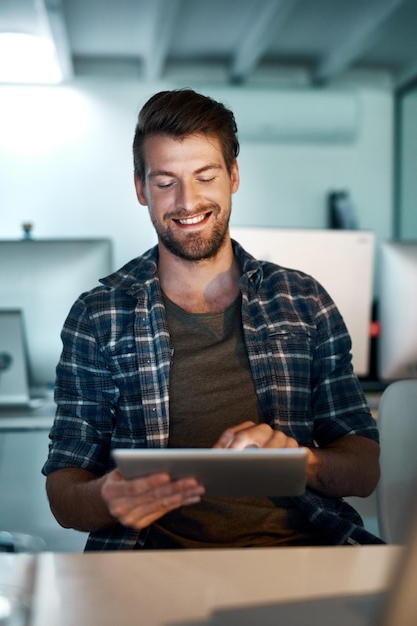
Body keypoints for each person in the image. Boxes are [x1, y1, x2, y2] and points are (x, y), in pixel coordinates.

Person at [42, 88, 382, 551]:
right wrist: (106, 497)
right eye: (165, 182)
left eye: (205, 176)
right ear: (141, 189)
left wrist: (302, 461)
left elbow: (363, 469)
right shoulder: (99, 315)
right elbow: (64, 494)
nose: (188, 201)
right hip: (149, 565)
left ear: (233, 176)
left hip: (304, 551)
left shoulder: (304, 300)